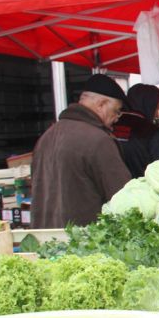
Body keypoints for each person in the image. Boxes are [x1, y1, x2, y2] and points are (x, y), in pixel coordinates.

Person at [31, 74, 132, 228]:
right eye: (117, 111)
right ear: (101, 104)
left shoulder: (47, 136)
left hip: (47, 240)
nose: (117, 118)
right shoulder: (99, 140)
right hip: (83, 243)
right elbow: (123, 199)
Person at [113, 83, 159, 178]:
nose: (157, 115)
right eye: (156, 108)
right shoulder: (150, 132)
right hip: (143, 189)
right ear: (148, 105)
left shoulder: (110, 125)